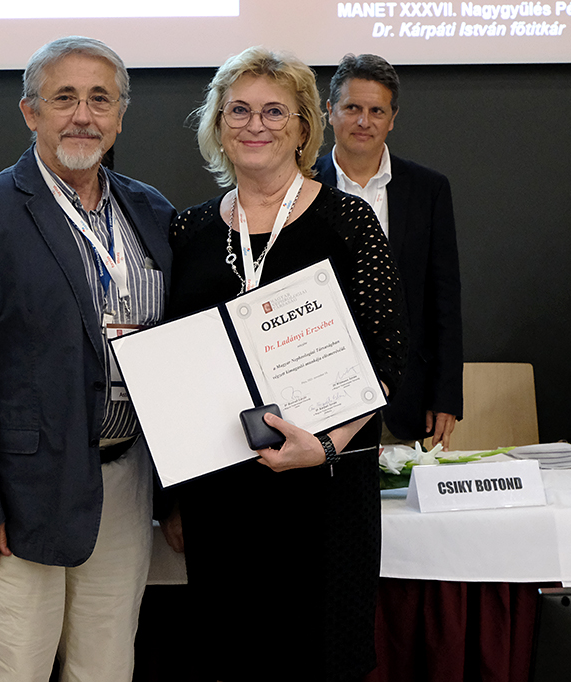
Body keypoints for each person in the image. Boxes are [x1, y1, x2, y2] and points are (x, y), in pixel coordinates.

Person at [0, 36, 174, 682]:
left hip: (124, 482)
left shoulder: (152, 213)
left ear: (120, 115)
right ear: (30, 112)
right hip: (19, 496)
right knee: (16, 671)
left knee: (106, 669)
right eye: (64, 98)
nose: (83, 115)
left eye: (99, 99)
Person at [163, 47, 407, 681]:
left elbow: (387, 353)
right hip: (221, 498)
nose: (255, 125)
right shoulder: (187, 231)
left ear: (303, 127)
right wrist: (175, 500)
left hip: (324, 491)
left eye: (275, 111)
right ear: (217, 124)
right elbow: (176, 370)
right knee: (232, 657)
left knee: (320, 656)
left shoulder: (348, 221)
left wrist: (324, 445)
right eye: (238, 110)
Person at [314, 53, 462, 449]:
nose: (364, 121)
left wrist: (446, 396)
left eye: (376, 111)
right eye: (352, 108)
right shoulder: (301, 185)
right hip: (320, 397)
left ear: (392, 118)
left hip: (405, 398)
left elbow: (444, 299)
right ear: (330, 111)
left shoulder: (428, 190)